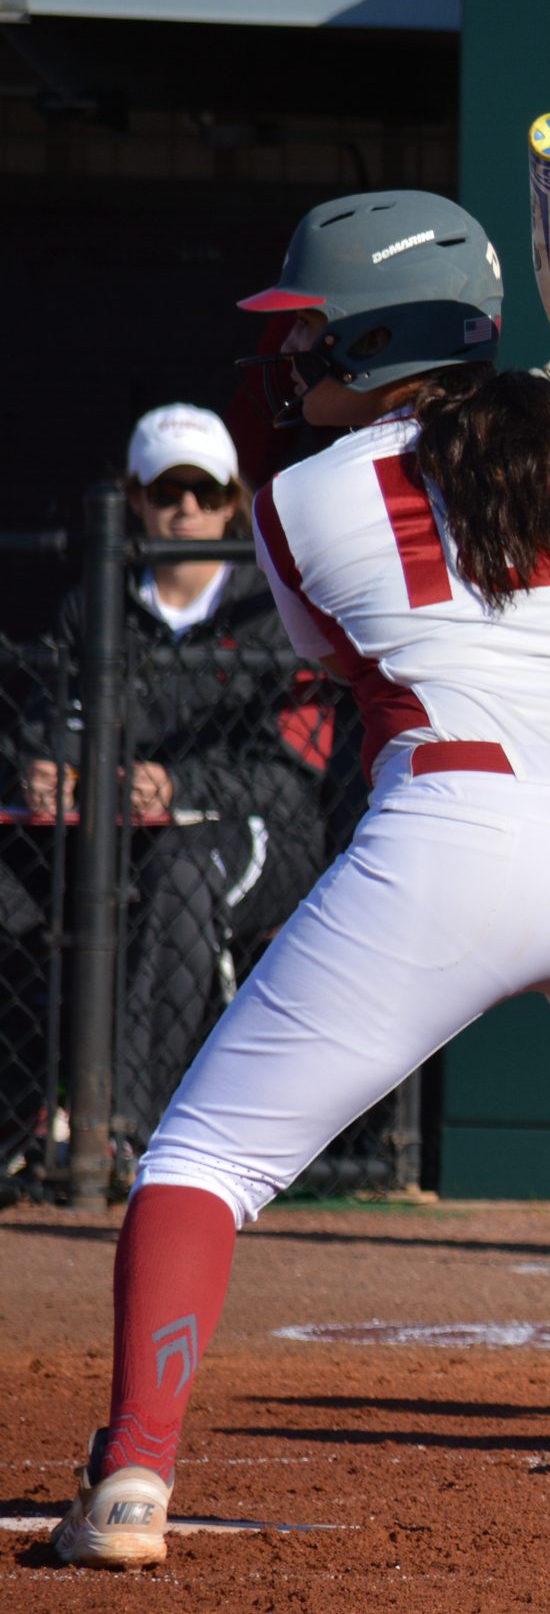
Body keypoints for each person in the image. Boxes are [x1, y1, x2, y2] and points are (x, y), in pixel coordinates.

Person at [46, 188, 550, 1569]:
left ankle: (128, 1483)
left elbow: (360, 630)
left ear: (378, 334)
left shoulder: (293, 502)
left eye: (313, 336)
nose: (294, 364)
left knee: (200, 1159)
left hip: (456, 834)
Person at [14, 405, 329, 1152]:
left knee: (183, 874)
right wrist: (46, 768)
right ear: (135, 498)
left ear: (231, 499)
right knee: (12, 892)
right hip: (101, 838)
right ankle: (24, 1115)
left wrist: (179, 784)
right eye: (166, 491)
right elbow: (46, 719)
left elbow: (296, 780)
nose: (185, 508)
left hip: (253, 836)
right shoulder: (94, 604)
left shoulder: (271, 608)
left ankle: (128, 1130)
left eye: (204, 490)